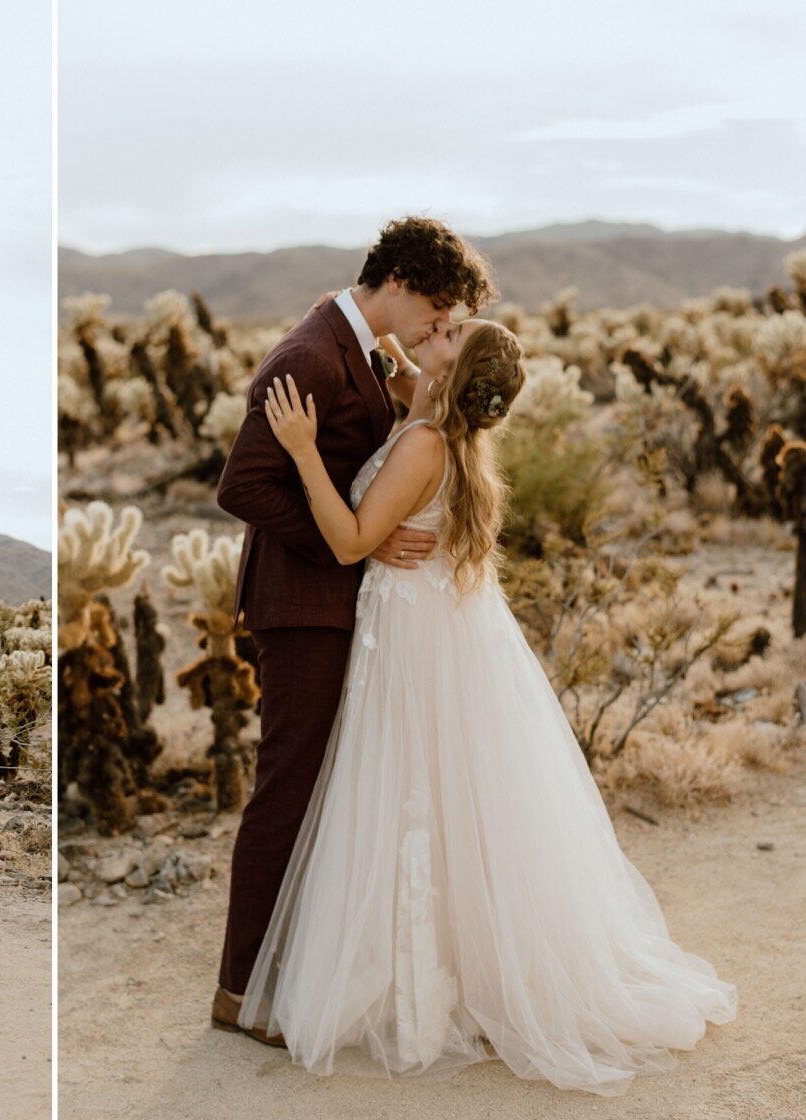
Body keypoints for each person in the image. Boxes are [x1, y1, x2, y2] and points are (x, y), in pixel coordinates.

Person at [236, 317, 737, 1095]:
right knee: (436, 793)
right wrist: (406, 369)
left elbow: (344, 541)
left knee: (408, 790)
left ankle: (418, 977)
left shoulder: (424, 445)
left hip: (406, 635)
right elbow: (408, 395)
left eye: (447, 333)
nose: (432, 330)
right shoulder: (443, 431)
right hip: (430, 624)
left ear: (454, 369)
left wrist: (304, 454)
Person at [212, 217, 497, 1039]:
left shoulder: (357, 347)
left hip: (339, 603)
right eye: (435, 308)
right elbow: (242, 487)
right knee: (287, 792)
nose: (436, 327)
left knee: (317, 792)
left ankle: (285, 975)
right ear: (399, 280)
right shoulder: (310, 355)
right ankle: (239, 991)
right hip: (302, 606)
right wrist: (352, 550)